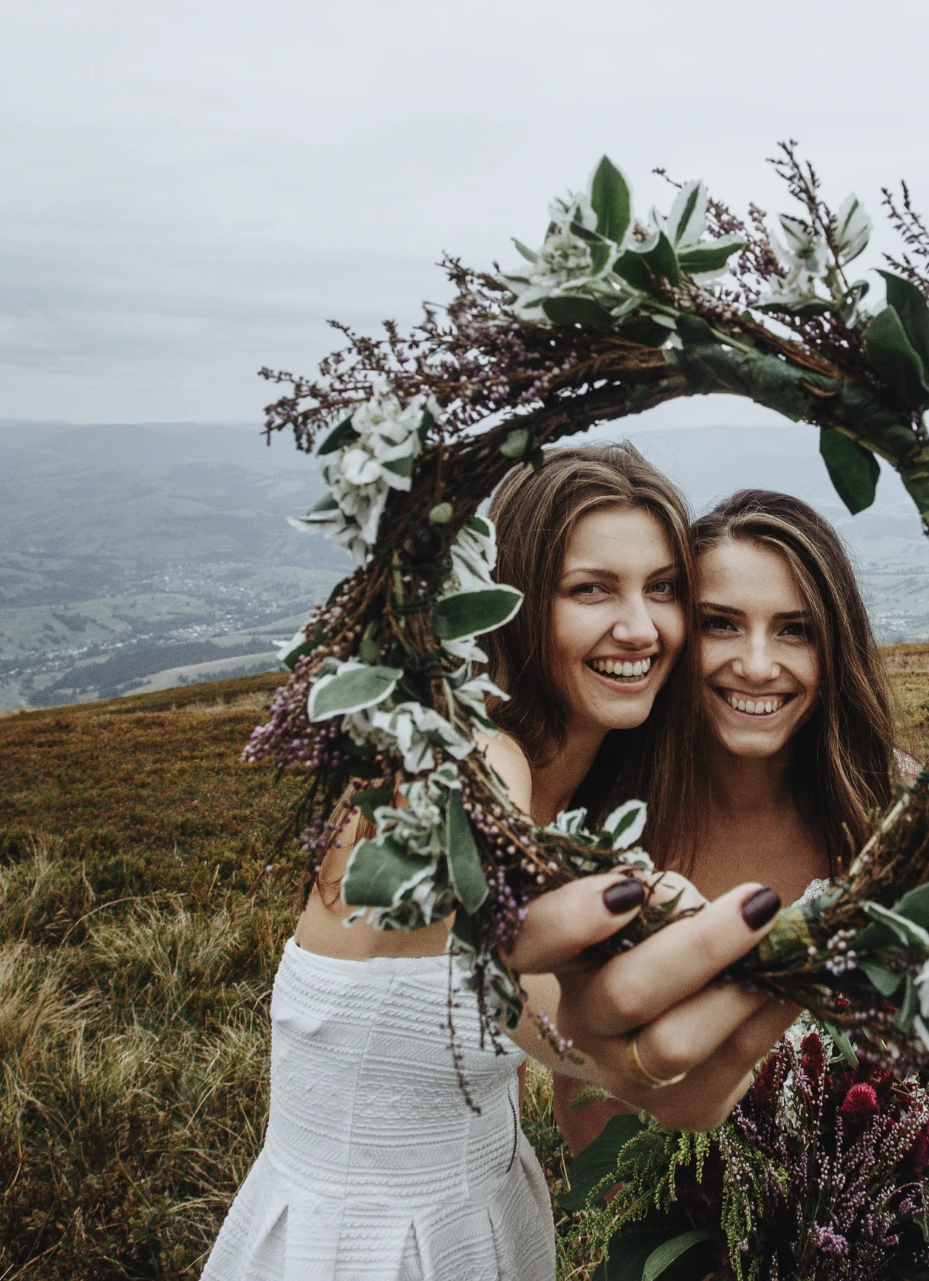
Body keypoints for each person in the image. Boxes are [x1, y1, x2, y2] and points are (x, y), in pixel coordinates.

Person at [203, 447, 798, 1281]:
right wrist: (628, 1051)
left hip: (484, 1206)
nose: (640, 626)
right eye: (591, 588)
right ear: (510, 604)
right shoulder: (472, 763)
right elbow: (536, 986)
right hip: (364, 1244)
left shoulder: (585, 792)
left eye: (662, 587)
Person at [555, 489, 929, 1153]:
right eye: (720, 624)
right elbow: (586, 1114)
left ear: (834, 644)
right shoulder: (609, 839)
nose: (758, 666)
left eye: (795, 629)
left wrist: (909, 1199)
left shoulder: (896, 819)